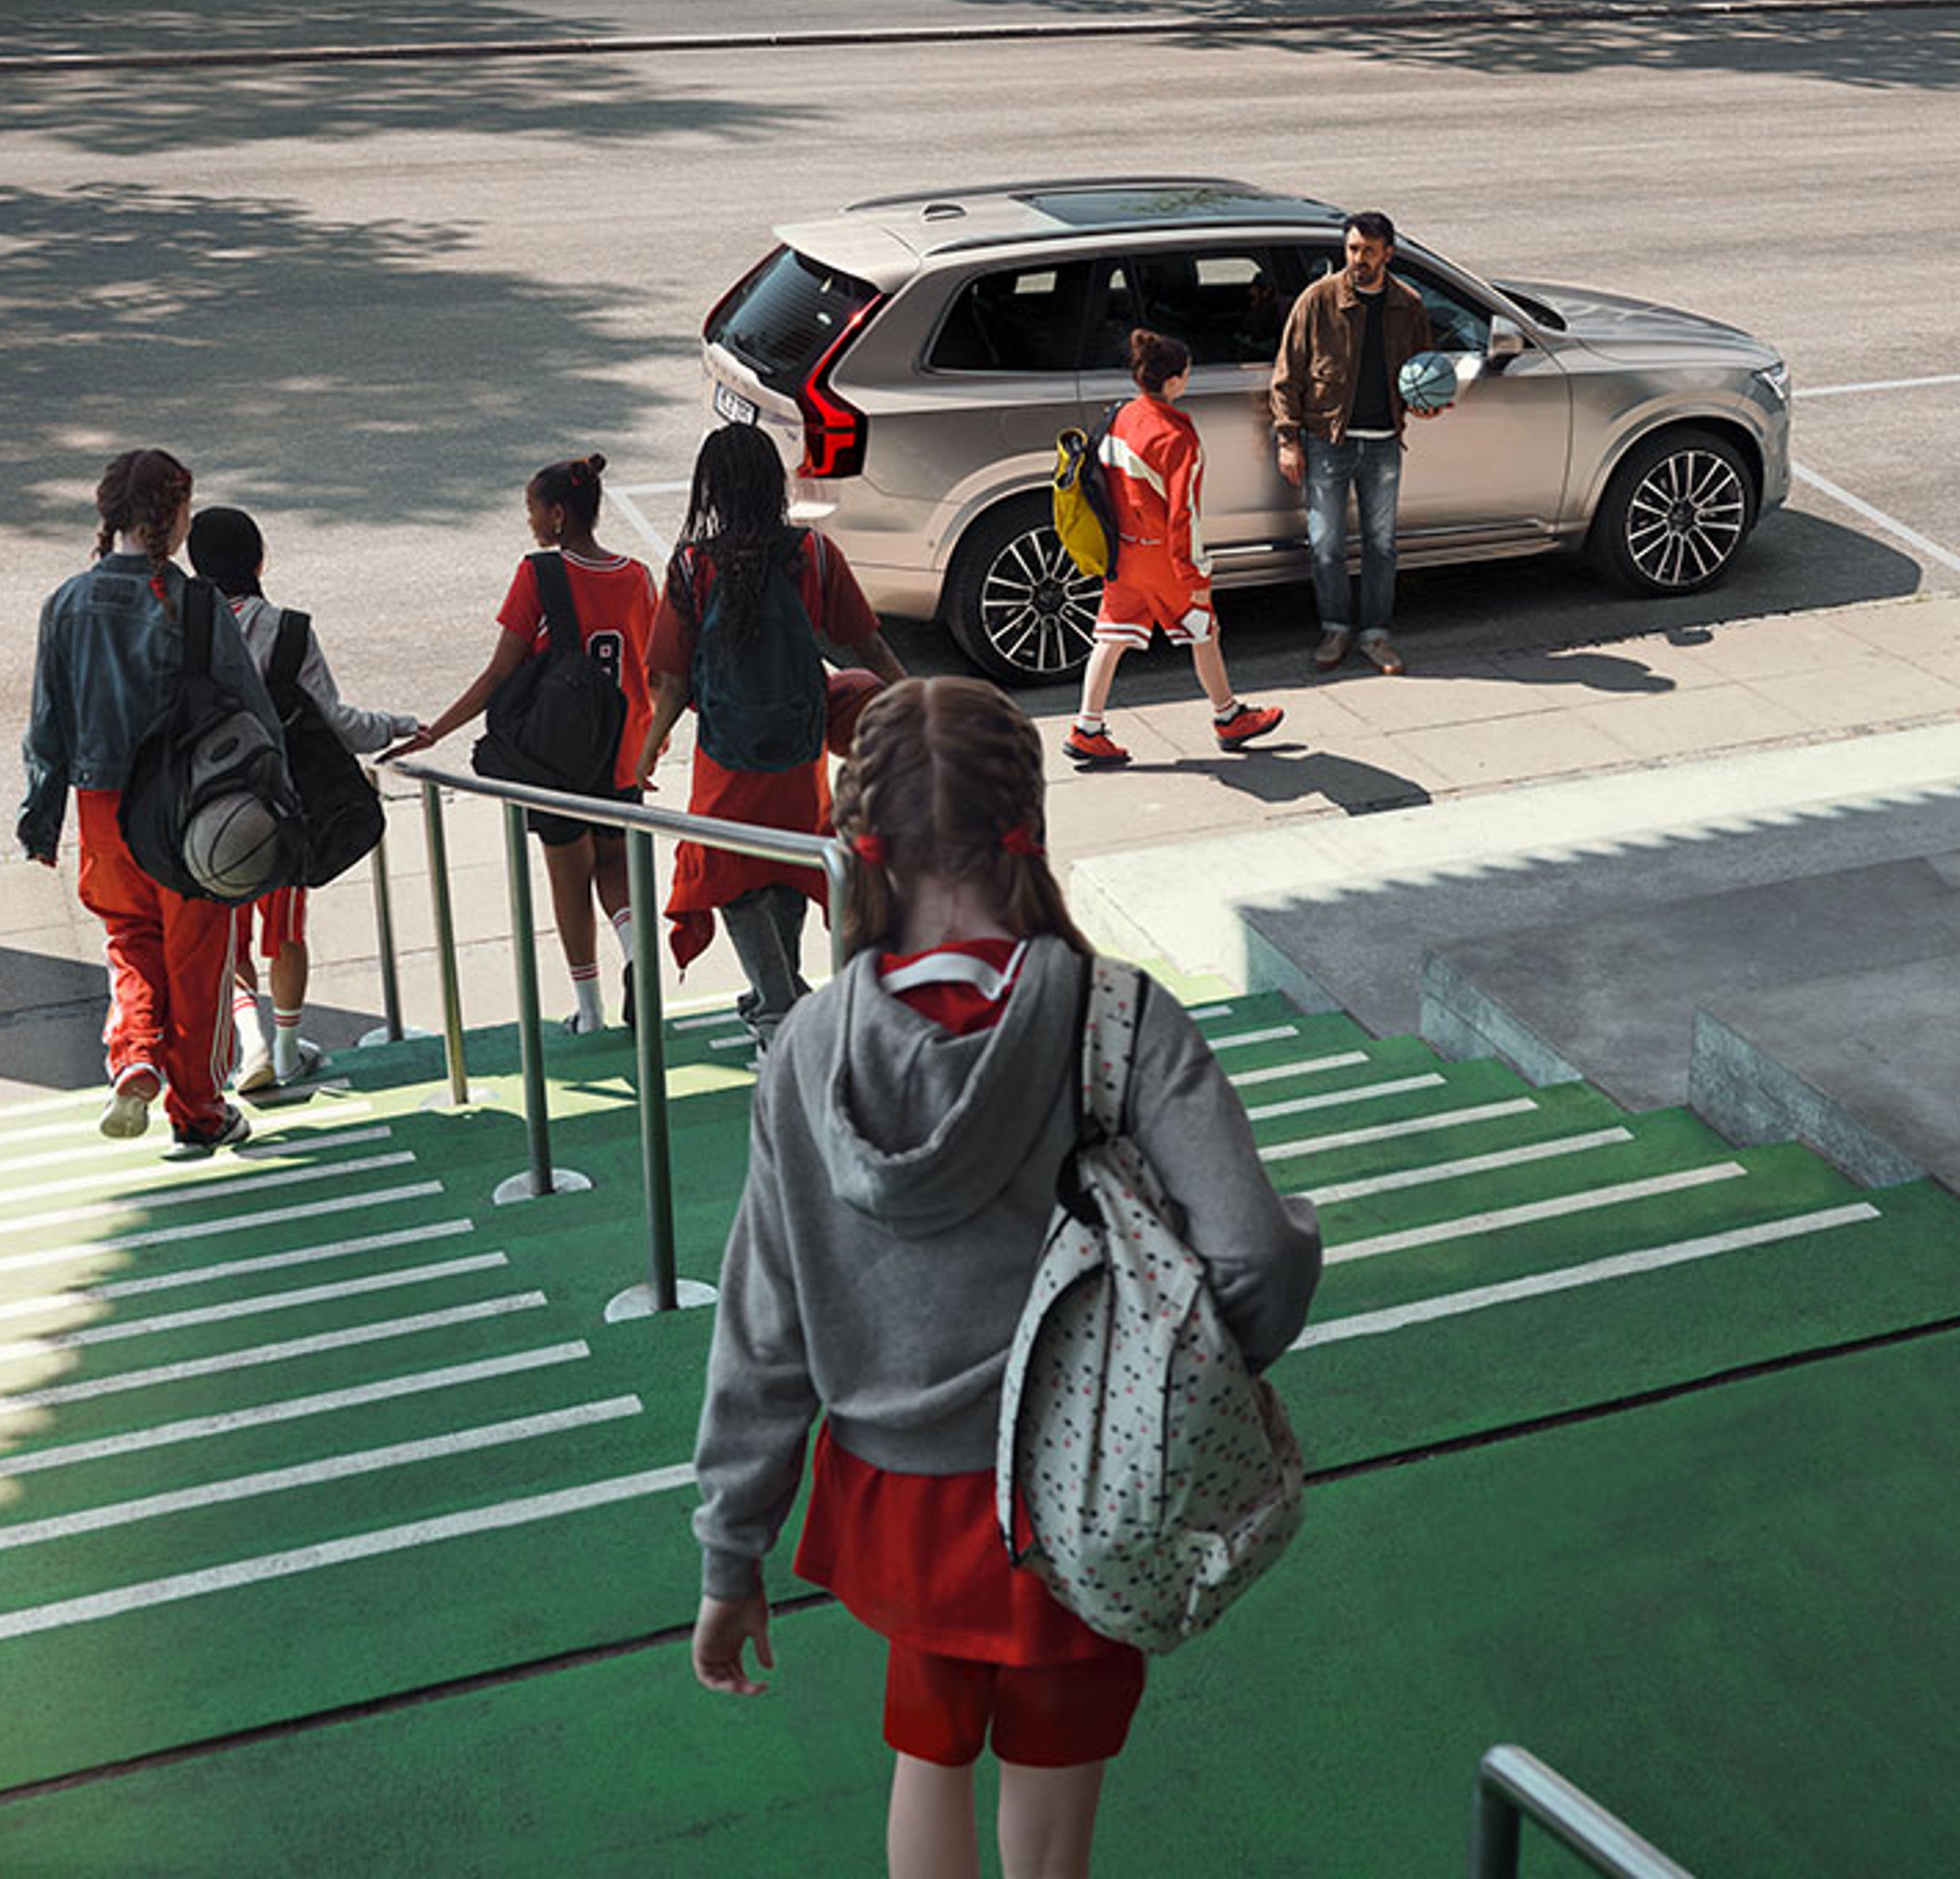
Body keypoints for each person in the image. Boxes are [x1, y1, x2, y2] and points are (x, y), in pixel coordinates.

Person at [689, 675, 1321, 1879]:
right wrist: (1171, 1376)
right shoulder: (1119, 1020)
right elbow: (1251, 1254)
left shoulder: (808, 1051)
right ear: (1024, 821)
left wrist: (733, 1557)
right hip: (1087, 1485)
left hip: (898, 1500)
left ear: (859, 845)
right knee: (1053, 1822)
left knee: (926, 1761)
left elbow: (761, 1329)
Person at [19, 447, 285, 1160]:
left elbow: (46, 726)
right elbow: (250, 709)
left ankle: (134, 1055)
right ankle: (198, 1109)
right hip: (190, 812)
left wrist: (41, 820)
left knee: (130, 942)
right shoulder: (197, 603)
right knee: (198, 961)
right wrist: (280, 798)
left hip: (103, 811)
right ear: (173, 516)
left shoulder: (66, 604)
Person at [636, 422, 906, 1049]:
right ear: (772, 485)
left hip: (725, 758)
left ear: (714, 490)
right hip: (801, 752)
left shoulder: (692, 567)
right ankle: (775, 992)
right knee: (786, 866)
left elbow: (671, 684)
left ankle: (778, 1010)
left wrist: (648, 749)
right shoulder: (812, 555)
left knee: (729, 873)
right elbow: (866, 642)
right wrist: (913, 697)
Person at [390, 457, 656, 1034]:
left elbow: (499, 674)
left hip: (557, 755)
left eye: (533, 508)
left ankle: (589, 1011)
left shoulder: (539, 575)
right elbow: (652, 669)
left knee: (569, 874)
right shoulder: (637, 576)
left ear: (558, 514)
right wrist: (651, 744)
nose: (531, 519)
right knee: (614, 860)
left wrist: (436, 729)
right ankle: (638, 955)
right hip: (623, 748)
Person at [184, 504, 421, 1091]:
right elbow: (338, 721)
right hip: (284, 808)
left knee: (229, 933)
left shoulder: (181, 631)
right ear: (261, 560)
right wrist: (396, 725)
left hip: (209, 812)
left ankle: (252, 1045)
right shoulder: (288, 631)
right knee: (285, 933)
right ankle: (288, 1048)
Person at [1062, 328, 1284, 769]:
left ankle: (1087, 728)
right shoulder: (1177, 439)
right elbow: (1185, 516)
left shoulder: (1121, 416)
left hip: (1122, 552)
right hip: (1163, 557)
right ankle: (1228, 717)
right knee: (1204, 630)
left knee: (1110, 636)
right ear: (1174, 381)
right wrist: (1194, 576)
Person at [1269, 209, 1442, 676]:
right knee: (1325, 544)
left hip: (1385, 442)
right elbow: (1287, 376)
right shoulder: (1318, 300)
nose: (1358, 258)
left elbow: (1421, 372)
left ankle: (1376, 636)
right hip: (1327, 441)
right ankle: (1336, 629)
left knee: (1381, 545)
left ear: (1389, 252)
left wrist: (1426, 404)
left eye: (1367, 250)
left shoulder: (1408, 305)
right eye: (1351, 249)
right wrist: (1288, 440)